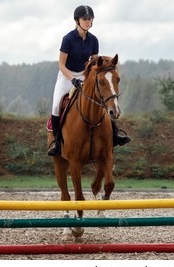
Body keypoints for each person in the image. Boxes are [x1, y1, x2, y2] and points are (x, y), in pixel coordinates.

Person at [47, 5, 130, 156]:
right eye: (85, 19)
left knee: (101, 99)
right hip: (66, 75)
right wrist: (72, 79)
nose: (88, 22)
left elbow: (93, 62)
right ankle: (57, 142)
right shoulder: (68, 39)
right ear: (77, 21)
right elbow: (61, 64)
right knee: (56, 105)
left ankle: (115, 134)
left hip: (84, 75)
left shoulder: (94, 40)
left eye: (90, 19)